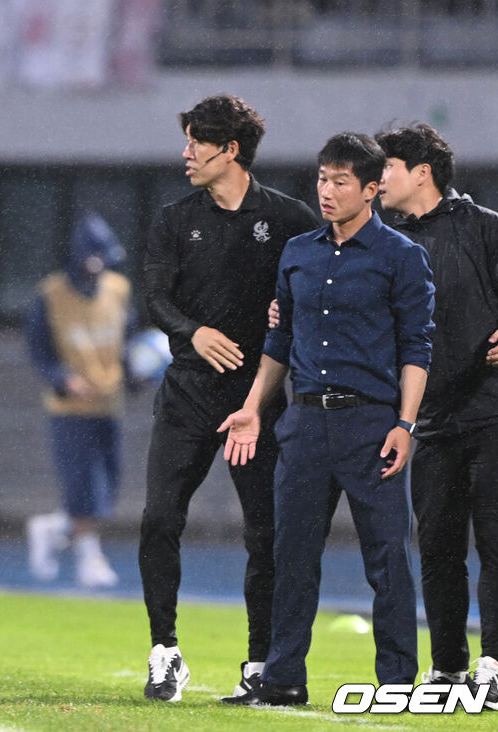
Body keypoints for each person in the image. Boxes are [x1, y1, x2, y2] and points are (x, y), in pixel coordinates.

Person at [219, 132, 435, 707]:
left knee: (386, 557)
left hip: (372, 426)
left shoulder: (403, 257)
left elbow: (418, 347)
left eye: (342, 181)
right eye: (322, 179)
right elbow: (279, 339)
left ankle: (396, 683)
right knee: (291, 556)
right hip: (306, 426)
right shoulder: (299, 252)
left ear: (370, 189)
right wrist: (253, 407)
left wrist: (405, 425)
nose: (327, 190)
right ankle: (283, 677)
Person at [139, 95, 319, 702]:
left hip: (258, 402)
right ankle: (165, 650)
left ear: (231, 150)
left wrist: (287, 311)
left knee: (264, 535)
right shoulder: (173, 218)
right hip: (188, 394)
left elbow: (321, 283)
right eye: (186, 140)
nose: (185, 153)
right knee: (160, 520)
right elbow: (154, 299)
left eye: (197, 142)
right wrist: (192, 331)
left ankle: (258, 661)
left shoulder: (290, 218)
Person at [374, 123, 498, 711]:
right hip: (428, 421)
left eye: (387, 167)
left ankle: (494, 664)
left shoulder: (487, 228)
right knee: (437, 548)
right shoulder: (384, 241)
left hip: (496, 412)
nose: (377, 179)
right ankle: (448, 667)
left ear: (420, 172)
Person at [23, 212, 135, 589]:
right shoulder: (51, 294)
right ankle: (90, 558)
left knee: (109, 485)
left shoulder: (118, 289)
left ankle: (52, 527)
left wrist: (139, 371)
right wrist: (62, 379)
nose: (98, 267)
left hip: (109, 402)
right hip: (70, 409)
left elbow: (129, 341)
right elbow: (38, 351)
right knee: (83, 483)